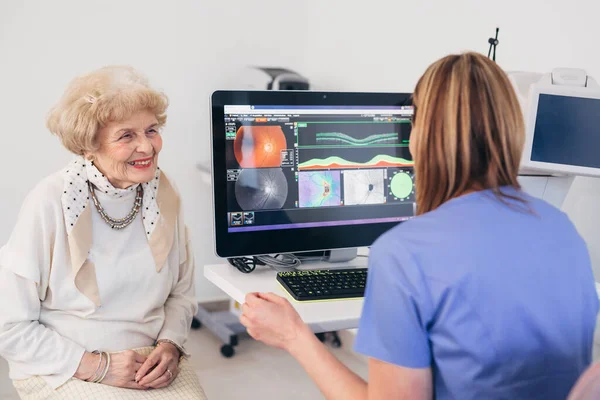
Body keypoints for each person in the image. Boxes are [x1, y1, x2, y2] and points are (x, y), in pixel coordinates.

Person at [239, 52, 600, 399]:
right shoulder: (563, 230)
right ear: (511, 131)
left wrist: (293, 336)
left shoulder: (404, 254)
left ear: (422, 135)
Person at [0, 66, 207, 399]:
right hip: (66, 364)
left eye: (151, 130)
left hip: (149, 361)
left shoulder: (165, 194)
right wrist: (98, 366)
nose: (147, 147)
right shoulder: (50, 201)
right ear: (88, 146)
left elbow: (180, 295)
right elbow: (8, 327)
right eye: (127, 135)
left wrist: (171, 345)